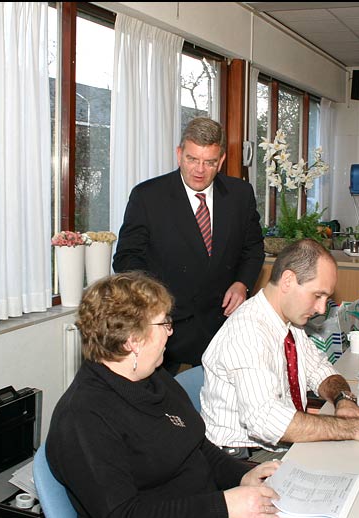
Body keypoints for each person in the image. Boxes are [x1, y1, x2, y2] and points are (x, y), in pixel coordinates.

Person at [45, 272, 280, 518]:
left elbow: (197, 447)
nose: (171, 331)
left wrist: (244, 476)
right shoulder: (84, 418)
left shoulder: (154, 378)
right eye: (164, 323)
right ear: (133, 341)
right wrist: (224, 506)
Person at [201, 239, 359, 459]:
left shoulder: (288, 323)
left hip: (277, 447)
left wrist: (343, 400)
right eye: (317, 295)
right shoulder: (248, 332)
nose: (321, 308)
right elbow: (265, 421)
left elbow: (321, 370)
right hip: (243, 459)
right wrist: (354, 428)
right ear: (288, 281)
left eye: (326, 298)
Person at [113, 117, 265, 374]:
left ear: (221, 161)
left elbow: (253, 248)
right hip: (168, 328)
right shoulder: (148, 196)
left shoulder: (240, 194)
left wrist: (242, 283)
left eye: (209, 162)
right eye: (192, 159)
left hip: (223, 325)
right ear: (179, 154)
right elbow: (127, 259)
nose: (199, 170)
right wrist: (155, 303)